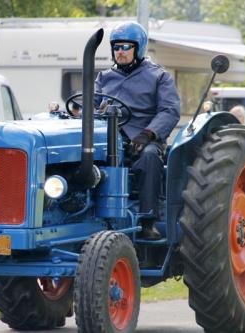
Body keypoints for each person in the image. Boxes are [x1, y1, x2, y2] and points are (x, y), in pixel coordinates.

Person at [95, 21, 180, 239]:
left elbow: (169, 111)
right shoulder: (104, 77)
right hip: (107, 135)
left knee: (149, 157)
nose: (120, 52)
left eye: (125, 47)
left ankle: (147, 220)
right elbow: (91, 105)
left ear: (138, 48)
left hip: (144, 137)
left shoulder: (159, 76)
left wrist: (148, 134)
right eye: (116, 47)